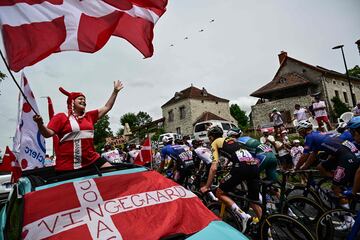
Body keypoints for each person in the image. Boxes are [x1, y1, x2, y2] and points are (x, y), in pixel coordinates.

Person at [33, 80, 124, 171]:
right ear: (72, 102)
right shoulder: (61, 117)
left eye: (84, 99)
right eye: (80, 99)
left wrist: (115, 92)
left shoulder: (89, 116)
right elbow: (47, 134)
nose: (83, 101)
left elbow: (107, 107)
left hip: (91, 160)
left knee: (112, 173)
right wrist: (40, 124)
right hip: (68, 165)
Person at [200, 126, 261, 232]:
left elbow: (213, 168)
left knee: (219, 192)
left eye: (209, 137)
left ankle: (243, 217)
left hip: (241, 167)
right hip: (254, 166)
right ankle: (266, 227)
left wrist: (207, 186)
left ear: (211, 137)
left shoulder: (215, 143)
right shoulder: (232, 140)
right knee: (253, 201)